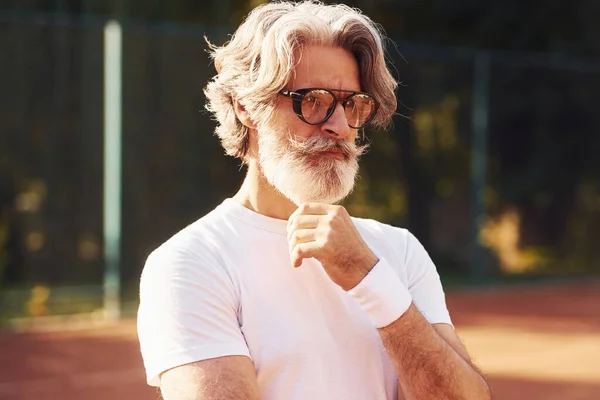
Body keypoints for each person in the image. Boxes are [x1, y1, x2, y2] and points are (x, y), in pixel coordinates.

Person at [137, 1, 491, 399]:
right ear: (246, 106)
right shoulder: (192, 262)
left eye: (353, 104)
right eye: (312, 100)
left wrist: (370, 280)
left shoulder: (399, 252)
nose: (339, 126)